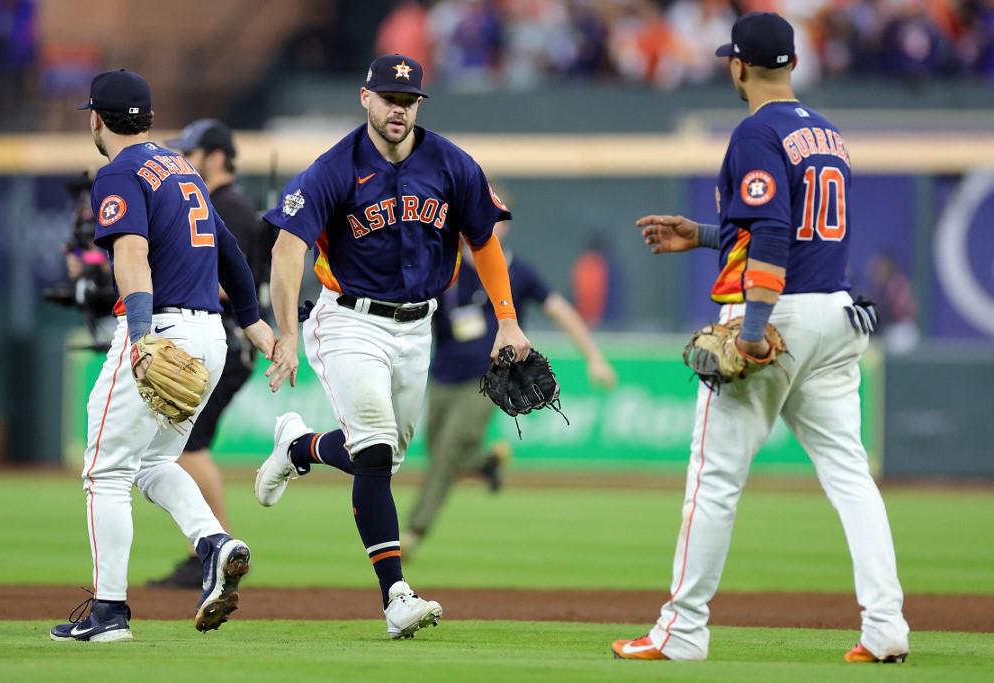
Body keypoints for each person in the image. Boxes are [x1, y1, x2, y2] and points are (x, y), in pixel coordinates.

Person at [611, 13, 910, 664]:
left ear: (739, 66)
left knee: (713, 478)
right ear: (793, 65)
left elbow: (773, 234)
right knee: (851, 475)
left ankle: (682, 629)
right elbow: (791, 226)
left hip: (778, 317)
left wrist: (749, 328)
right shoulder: (826, 134)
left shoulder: (755, 132)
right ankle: (886, 625)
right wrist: (704, 232)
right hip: (835, 313)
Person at [254, 53, 530, 640]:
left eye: (408, 101)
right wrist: (283, 332)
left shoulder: (451, 164)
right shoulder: (335, 168)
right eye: (388, 99)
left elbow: (484, 241)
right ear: (366, 99)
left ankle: (299, 448)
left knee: (382, 457)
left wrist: (507, 322)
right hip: (349, 321)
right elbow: (286, 248)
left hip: (416, 328)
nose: (398, 109)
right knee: (376, 453)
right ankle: (396, 598)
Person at [50, 69, 274, 642]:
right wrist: (254, 324)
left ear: (97, 118)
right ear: (146, 117)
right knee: (152, 464)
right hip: (211, 336)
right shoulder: (181, 167)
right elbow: (229, 251)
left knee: (105, 471)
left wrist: (144, 335)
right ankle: (215, 542)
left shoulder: (120, 172)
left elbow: (131, 258)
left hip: (163, 330)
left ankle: (107, 615)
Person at [403, 220, 617, 559]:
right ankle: (486, 462)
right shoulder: (445, 267)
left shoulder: (517, 271)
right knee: (440, 452)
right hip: (442, 377)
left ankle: (413, 532)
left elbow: (561, 311)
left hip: (488, 378)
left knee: (445, 456)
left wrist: (594, 357)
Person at [147, 119, 272, 589]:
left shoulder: (226, 205)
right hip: (224, 338)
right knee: (183, 446)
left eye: (192, 153)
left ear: (216, 157)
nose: (185, 159)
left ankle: (216, 547)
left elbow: (222, 283)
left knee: (189, 445)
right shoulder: (222, 203)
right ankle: (212, 549)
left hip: (225, 338)